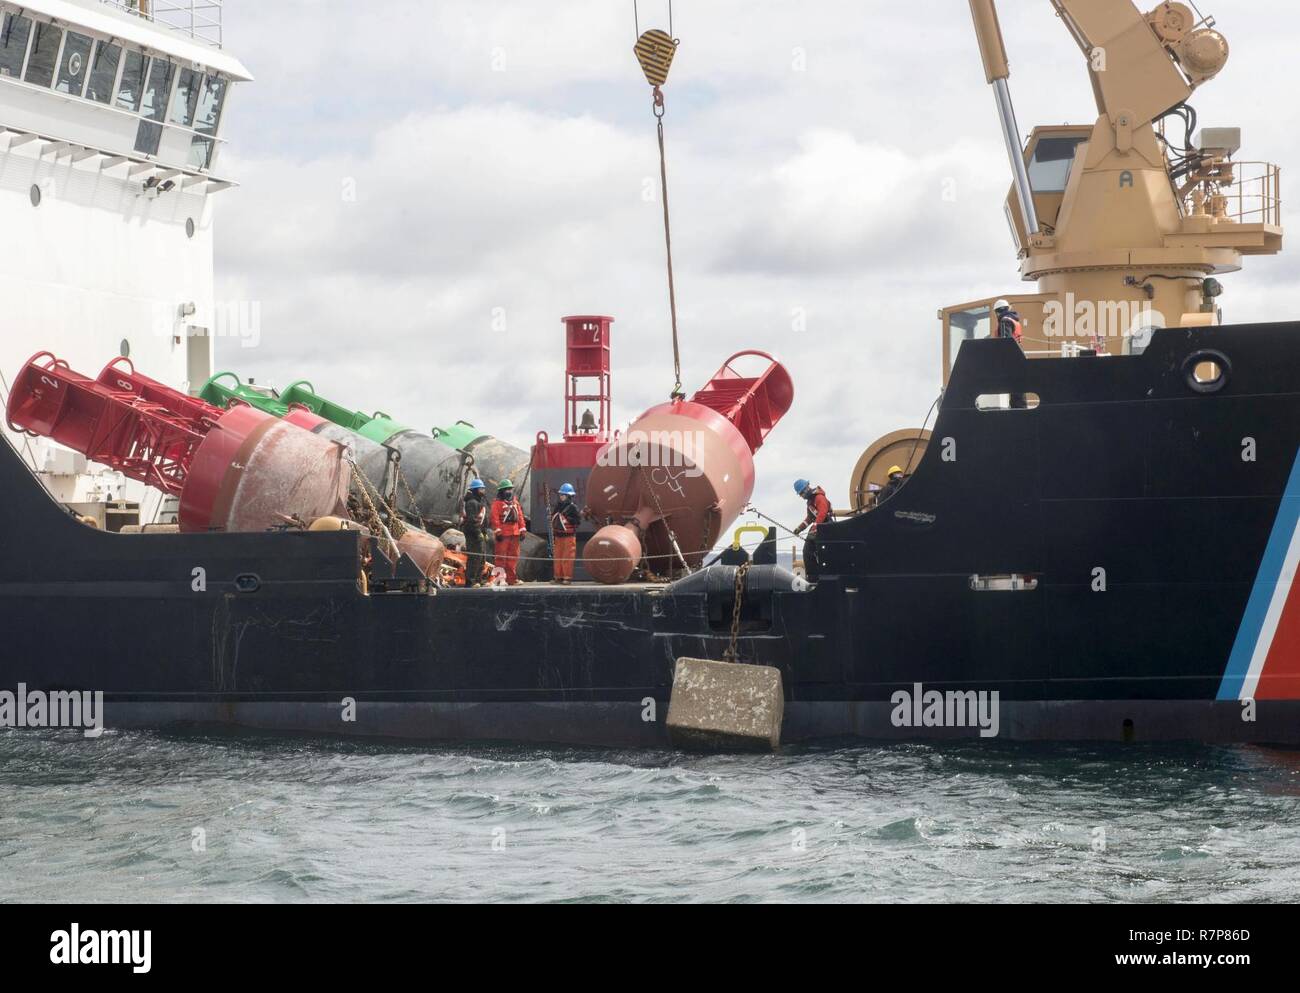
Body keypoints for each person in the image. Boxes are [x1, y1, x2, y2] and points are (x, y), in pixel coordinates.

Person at [792, 478, 833, 577]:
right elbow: (810, 517)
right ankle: (813, 578)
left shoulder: (819, 498)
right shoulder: (810, 502)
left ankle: (821, 576)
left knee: (822, 553)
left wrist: (815, 527)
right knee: (807, 551)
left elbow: (822, 514)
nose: (801, 496)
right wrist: (800, 528)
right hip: (819, 527)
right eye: (800, 494)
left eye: (801, 493)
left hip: (826, 526)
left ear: (806, 489)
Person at [490, 479, 528, 586]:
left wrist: (522, 529)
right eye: (506, 489)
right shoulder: (497, 504)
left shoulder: (515, 502)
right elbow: (494, 518)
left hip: (515, 533)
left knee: (513, 557)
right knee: (501, 557)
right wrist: (497, 531)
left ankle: (512, 579)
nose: (509, 491)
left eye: (510, 489)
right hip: (503, 534)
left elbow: (520, 516)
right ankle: (500, 579)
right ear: (501, 491)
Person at [459, 479, 489, 587]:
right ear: (475, 490)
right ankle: (470, 581)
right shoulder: (471, 503)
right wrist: (478, 533)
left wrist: (484, 532)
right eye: (481, 489)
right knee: (474, 558)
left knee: (481, 557)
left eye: (483, 489)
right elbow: (472, 520)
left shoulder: (479, 502)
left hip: (479, 533)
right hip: (473, 534)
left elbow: (483, 520)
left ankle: (478, 580)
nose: (483, 491)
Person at [551, 483, 581, 585]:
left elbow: (577, 521)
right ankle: (558, 577)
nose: (561, 497)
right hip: (558, 536)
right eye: (560, 495)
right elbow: (553, 517)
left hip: (569, 537)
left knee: (567, 558)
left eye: (563, 495)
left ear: (569, 496)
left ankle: (567, 578)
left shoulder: (573, 508)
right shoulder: (557, 507)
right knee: (558, 557)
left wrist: (567, 519)